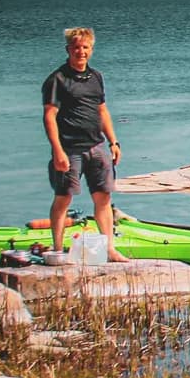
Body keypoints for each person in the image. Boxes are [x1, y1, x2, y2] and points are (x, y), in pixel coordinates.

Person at [42, 26, 127, 258]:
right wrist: (57, 150)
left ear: (91, 49)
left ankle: (109, 249)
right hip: (69, 149)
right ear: (68, 49)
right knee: (63, 198)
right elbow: (49, 116)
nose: (81, 51)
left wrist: (114, 142)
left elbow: (102, 110)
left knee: (103, 197)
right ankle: (58, 249)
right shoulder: (57, 79)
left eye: (85, 47)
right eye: (76, 47)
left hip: (97, 146)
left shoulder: (96, 77)